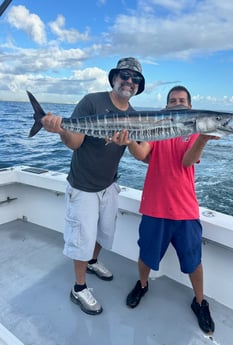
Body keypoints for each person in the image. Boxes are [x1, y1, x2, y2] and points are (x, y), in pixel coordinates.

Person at [41, 57, 145, 315]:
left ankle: (92, 262)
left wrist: (129, 142)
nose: (129, 81)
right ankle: (78, 288)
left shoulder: (134, 116)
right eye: (125, 75)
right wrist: (60, 129)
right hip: (83, 185)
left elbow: (140, 152)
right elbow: (75, 142)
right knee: (82, 239)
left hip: (109, 185)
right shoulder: (92, 101)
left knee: (104, 232)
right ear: (114, 78)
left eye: (135, 79)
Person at [113, 85, 216, 334]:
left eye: (182, 100)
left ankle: (200, 301)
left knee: (194, 262)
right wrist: (128, 142)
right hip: (154, 206)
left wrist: (202, 138)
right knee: (146, 255)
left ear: (190, 107)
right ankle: (143, 284)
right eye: (173, 100)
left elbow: (187, 161)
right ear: (166, 106)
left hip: (185, 209)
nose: (177, 103)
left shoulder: (193, 130)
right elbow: (142, 153)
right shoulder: (155, 129)